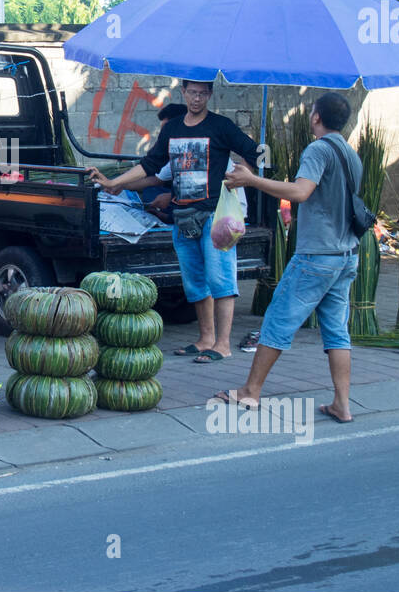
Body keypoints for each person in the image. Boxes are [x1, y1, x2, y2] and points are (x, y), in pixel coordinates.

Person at [216, 91, 361, 423]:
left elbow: (300, 192)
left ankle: (251, 391)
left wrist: (252, 180)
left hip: (316, 256)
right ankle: (342, 404)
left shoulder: (318, 149)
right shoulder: (350, 154)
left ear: (315, 118)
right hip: (346, 255)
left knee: (278, 321)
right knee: (337, 331)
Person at [89, 80, 259, 362]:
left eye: (202, 94)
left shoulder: (221, 126)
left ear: (210, 95)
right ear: (183, 92)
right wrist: (115, 182)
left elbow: (255, 150)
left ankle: (223, 344)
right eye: (192, 93)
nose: (196, 98)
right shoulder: (172, 128)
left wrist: (248, 175)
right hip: (183, 217)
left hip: (216, 217)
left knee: (221, 280)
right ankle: (206, 339)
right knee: (195, 281)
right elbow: (151, 164)